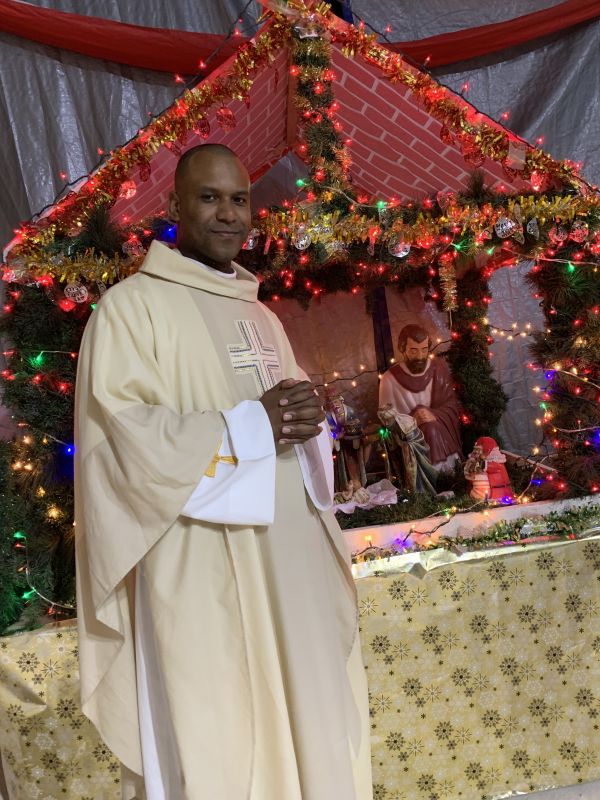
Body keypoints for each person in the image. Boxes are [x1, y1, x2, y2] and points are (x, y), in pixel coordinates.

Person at [75, 144, 372, 800]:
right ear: (175, 206)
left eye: (239, 199)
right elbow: (127, 440)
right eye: (210, 198)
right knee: (218, 731)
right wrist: (251, 427)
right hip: (200, 562)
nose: (229, 214)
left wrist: (308, 415)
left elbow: (290, 423)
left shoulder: (261, 314)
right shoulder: (130, 312)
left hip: (288, 561)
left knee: (305, 712)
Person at [378, 323, 462, 471]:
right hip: (410, 439)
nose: (420, 356)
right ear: (403, 349)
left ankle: (446, 473)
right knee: (429, 429)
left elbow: (452, 407)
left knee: (431, 428)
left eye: (424, 350)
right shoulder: (389, 379)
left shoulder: (439, 370)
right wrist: (411, 421)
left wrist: (434, 415)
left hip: (441, 434)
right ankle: (431, 476)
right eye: (413, 351)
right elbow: (386, 418)